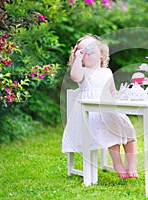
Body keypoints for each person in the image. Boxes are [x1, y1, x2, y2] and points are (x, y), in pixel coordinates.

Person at [62, 34, 138, 179]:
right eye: (82, 50)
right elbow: (75, 77)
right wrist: (78, 58)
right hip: (90, 114)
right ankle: (118, 164)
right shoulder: (83, 72)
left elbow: (112, 92)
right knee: (110, 132)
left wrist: (121, 94)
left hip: (109, 110)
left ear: (101, 54)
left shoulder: (107, 72)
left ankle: (132, 164)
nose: (87, 52)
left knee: (129, 131)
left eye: (91, 48)